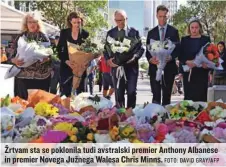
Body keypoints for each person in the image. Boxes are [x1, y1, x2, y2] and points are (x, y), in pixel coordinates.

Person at [104, 10, 144, 109]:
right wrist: (108, 60)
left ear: (126, 19)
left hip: (131, 67)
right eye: (117, 20)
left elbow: (141, 49)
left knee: (131, 91)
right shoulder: (110, 33)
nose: (120, 23)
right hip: (116, 68)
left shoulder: (134, 32)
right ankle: (120, 114)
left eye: (122, 20)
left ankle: (131, 113)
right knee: (118, 91)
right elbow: (106, 49)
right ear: (114, 20)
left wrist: (135, 57)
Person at [11, 12, 52, 100]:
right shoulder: (20, 36)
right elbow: (11, 55)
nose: (32, 24)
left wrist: (47, 58)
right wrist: (14, 60)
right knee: (21, 105)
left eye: (34, 22)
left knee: (38, 106)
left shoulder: (43, 37)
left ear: (38, 23)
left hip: (40, 77)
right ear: (26, 23)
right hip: (22, 76)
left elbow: (51, 55)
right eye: (30, 22)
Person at [146, 5, 180, 106]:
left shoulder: (174, 31)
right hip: (154, 68)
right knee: (156, 96)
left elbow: (178, 48)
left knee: (166, 96)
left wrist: (171, 57)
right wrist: (150, 59)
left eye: (164, 16)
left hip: (169, 68)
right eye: (160, 16)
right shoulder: (151, 32)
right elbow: (148, 50)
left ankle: (166, 119)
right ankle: (155, 118)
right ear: (156, 16)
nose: (162, 19)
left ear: (168, 16)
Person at [57, 12, 89, 97]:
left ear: (81, 21)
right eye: (74, 22)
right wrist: (66, 61)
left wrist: (85, 62)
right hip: (66, 66)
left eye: (79, 22)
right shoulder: (64, 33)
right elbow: (59, 50)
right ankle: (65, 109)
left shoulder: (85, 34)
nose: (77, 25)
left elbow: (88, 51)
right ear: (70, 22)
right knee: (65, 93)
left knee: (81, 93)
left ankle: (81, 110)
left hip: (80, 67)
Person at [179, 18, 211, 101]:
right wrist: (186, 61)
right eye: (192, 27)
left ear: (200, 28)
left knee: (201, 97)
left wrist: (207, 65)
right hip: (189, 73)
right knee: (189, 98)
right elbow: (180, 55)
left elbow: (210, 54)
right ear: (189, 28)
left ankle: (202, 114)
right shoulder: (184, 39)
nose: (194, 30)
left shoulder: (206, 39)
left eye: (196, 27)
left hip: (202, 73)